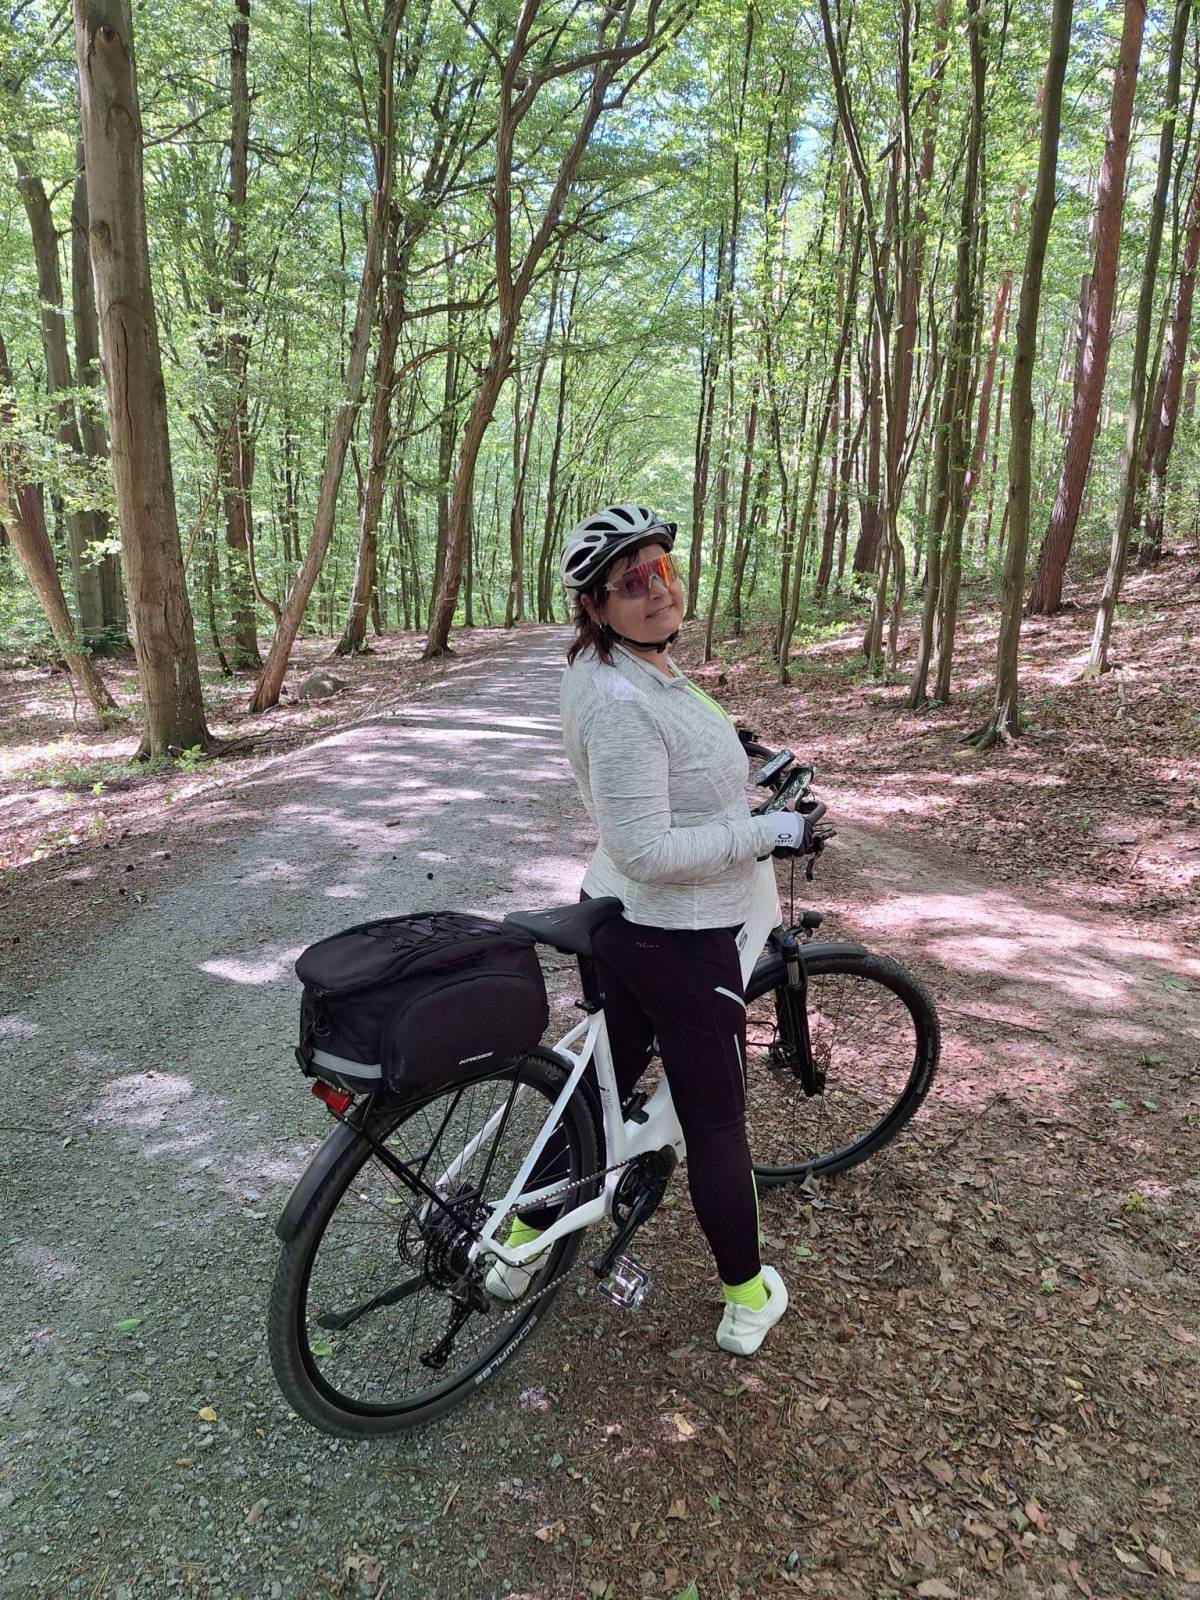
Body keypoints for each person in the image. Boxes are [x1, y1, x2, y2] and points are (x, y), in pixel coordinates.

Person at [489, 503, 811, 1356]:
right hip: (676, 933)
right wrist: (767, 832)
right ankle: (747, 1299)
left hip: (619, 921)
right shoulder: (623, 702)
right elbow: (648, 848)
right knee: (715, 1120)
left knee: (599, 1093)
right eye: (631, 582)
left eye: (661, 569)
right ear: (595, 605)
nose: (656, 589)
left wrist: (743, 752)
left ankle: (518, 1245)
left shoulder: (627, 664)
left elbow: (675, 747)